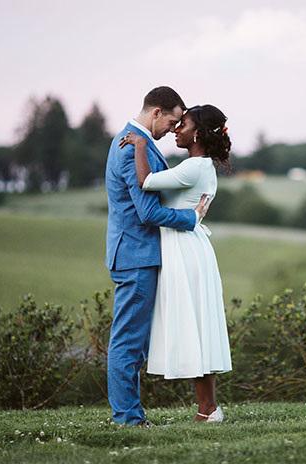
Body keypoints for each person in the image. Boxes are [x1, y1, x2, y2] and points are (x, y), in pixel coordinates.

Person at [119, 104, 232, 423]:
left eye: (183, 125)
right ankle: (208, 409)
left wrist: (140, 144)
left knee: (195, 326)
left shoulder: (194, 167)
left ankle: (208, 409)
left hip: (184, 250)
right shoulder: (198, 165)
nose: (176, 130)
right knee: (197, 327)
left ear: (197, 134)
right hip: (186, 247)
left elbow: (145, 181)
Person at [105, 87, 210, 427]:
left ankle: (130, 415)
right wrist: (191, 218)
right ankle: (128, 419)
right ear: (156, 113)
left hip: (140, 253)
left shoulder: (138, 143)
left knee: (136, 341)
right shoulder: (130, 147)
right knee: (128, 341)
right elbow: (148, 212)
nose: (173, 129)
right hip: (136, 254)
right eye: (172, 121)